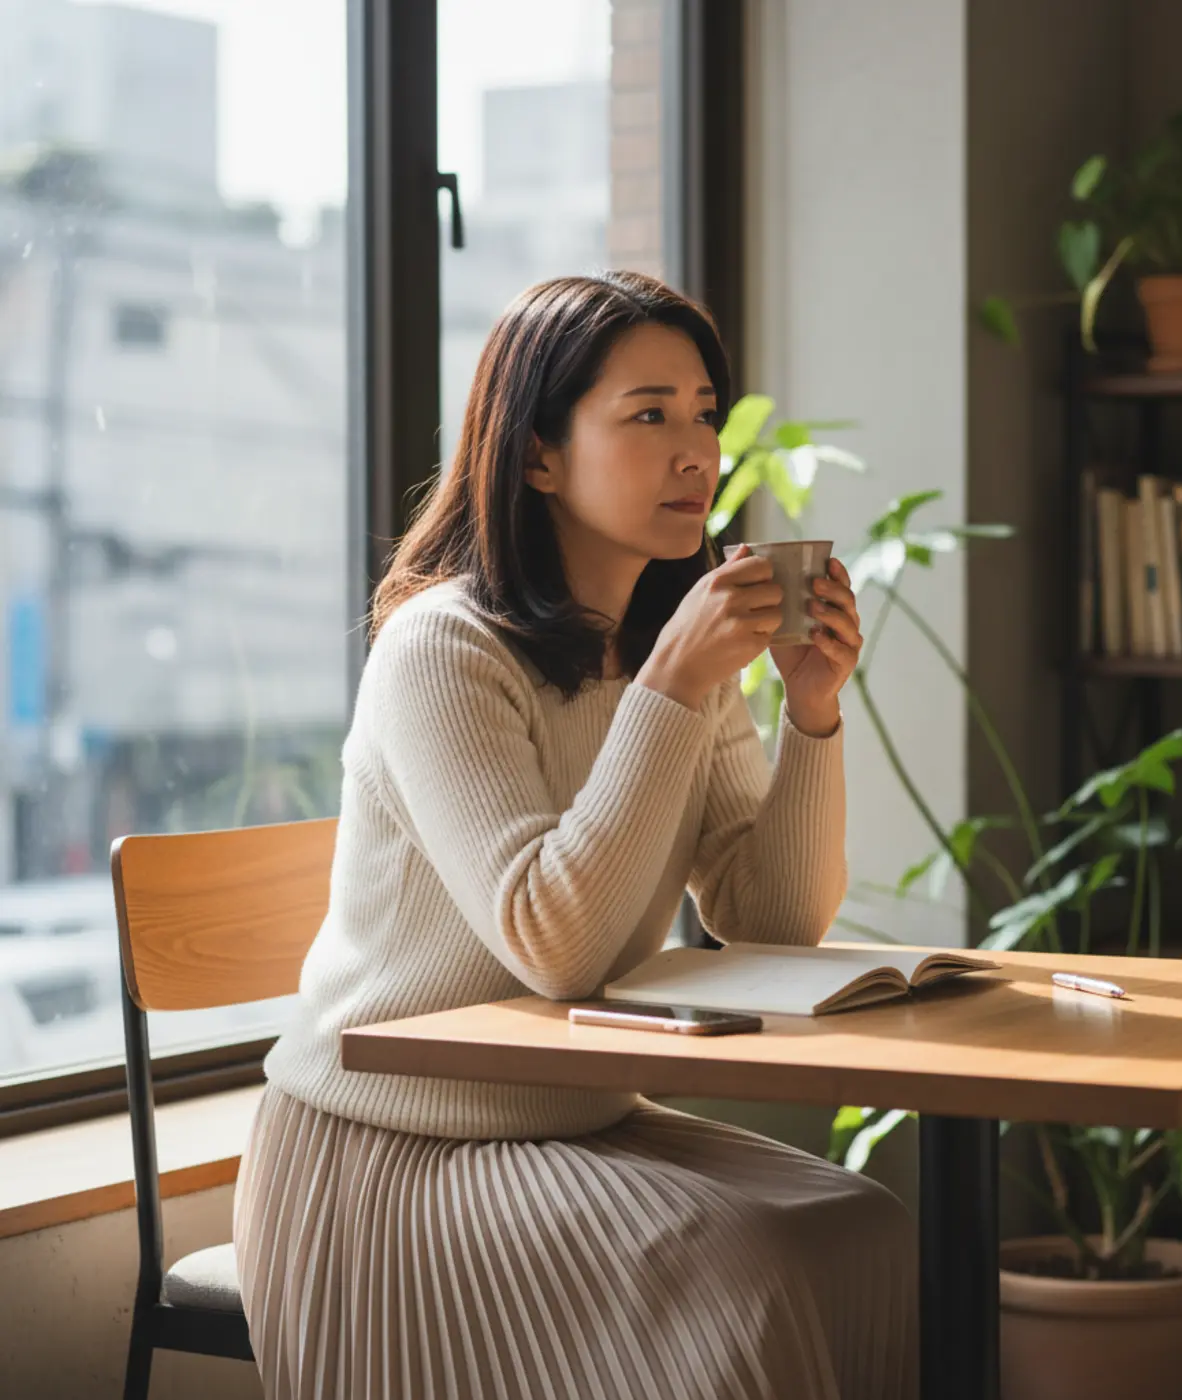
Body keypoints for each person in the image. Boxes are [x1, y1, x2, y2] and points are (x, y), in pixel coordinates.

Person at [233, 270, 916, 1399]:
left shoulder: (663, 645)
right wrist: (671, 683)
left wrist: (810, 709)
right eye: (647, 414)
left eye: (702, 409)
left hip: (578, 1121)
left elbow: (769, 919)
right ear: (537, 454)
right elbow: (554, 939)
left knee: (862, 1226)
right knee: (743, 1270)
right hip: (386, 1153)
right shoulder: (444, 649)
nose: (695, 449)